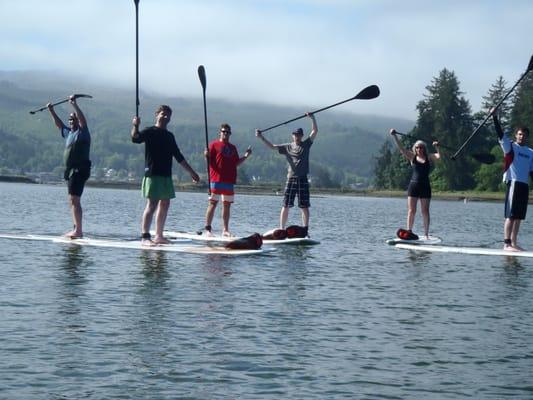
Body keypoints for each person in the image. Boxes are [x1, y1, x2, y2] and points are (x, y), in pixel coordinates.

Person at [131, 105, 200, 245]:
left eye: (168, 115)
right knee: (152, 204)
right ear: (156, 114)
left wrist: (192, 173)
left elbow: (178, 156)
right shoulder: (149, 131)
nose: (166, 117)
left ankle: (159, 236)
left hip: (166, 175)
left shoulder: (169, 136)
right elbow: (135, 138)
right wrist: (135, 126)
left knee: (165, 203)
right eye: (163, 114)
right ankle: (145, 237)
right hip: (152, 174)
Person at [255, 113, 317, 235]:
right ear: (292, 136)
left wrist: (312, 118)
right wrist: (261, 137)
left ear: (301, 136)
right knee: (286, 204)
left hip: (303, 178)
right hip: (291, 178)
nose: (297, 137)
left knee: (304, 206)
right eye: (295, 135)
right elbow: (272, 147)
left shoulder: (306, 144)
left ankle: (305, 229)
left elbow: (315, 131)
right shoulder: (287, 147)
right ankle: (282, 229)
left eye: (299, 135)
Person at [47, 95, 91, 239]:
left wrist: (74, 104)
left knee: (74, 199)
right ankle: (76, 228)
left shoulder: (83, 132)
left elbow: (83, 119)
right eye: (70, 119)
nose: (72, 121)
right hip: (72, 171)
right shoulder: (69, 133)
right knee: (72, 200)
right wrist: (51, 111)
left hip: (80, 170)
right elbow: (59, 125)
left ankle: (78, 231)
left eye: (74, 119)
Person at [490, 107, 533, 251]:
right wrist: (494, 117)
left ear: (527, 137)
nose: (522, 137)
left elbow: (532, 172)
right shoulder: (510, 147)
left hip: (524, 185)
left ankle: (514, 243)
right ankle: (506, 244)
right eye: (520, 134)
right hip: (513, 183)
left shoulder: (531, 152)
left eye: (524, 135)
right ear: (516, 135)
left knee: (519, 217)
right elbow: (500, 134)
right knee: (511, 215)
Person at [202, 123, 252, 237]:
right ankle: (208, 230)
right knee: (212, 203)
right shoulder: (213, 144)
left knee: (227, 205)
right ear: (220, 132)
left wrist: (246, 156)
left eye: (227, 132)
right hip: (216, 179)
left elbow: (236, 163)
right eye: (223, 131)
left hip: (229, 181)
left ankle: (225, 230)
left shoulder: (233, 148)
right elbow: (208, 159)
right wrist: (206, 155)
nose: (225, 133)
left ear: (230, 134)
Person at [390, 129, 441, 239]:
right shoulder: (412, 157)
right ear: (415, 149)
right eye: (417, 147)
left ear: (424, 148)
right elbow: (401, 149)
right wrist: (395, 136)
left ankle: (426, 234)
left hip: (425, 187)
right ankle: (409, 231)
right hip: (413, 186)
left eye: (421, 147)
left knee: (425, 211)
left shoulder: (429, 157)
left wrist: (437, 146)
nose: (419, 149)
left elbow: (439, 156)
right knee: (412, 210)